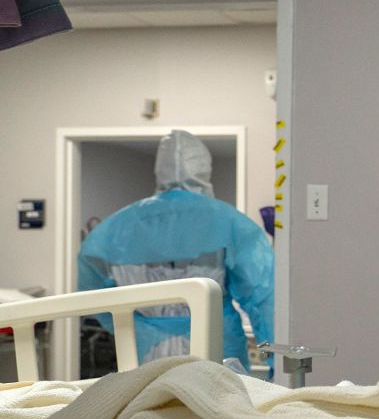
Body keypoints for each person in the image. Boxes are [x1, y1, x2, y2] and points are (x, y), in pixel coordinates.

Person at [77, 129, 274, 370]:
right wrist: (275, 359)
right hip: (217, 344)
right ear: (204, 169)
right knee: (219, 401)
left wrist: (133, 327)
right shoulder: (231, 223)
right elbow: (262, 299)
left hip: (145, 348)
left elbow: (95, 297)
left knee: (148, 402)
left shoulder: (115, 228)